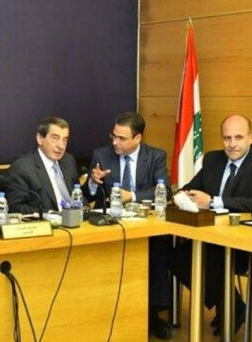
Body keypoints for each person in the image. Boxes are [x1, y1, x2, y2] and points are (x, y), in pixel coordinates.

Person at [170, 114, 252, 335]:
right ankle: (233, 307)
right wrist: (185, 196)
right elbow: (190, 187)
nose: (232, 144)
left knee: (212, 259)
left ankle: (230, 310)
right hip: (211, 235)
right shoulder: (213, 159)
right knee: (176, 256)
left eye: (238, 137)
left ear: (251, 137)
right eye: (227, 138)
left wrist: (212, 201)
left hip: (245, 241)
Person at [87, 111, 173, 339]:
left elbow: (164, 191)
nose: (115, 142)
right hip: (109, 225)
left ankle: (152, 316)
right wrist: (93, 182)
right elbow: (89, 194)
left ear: (138, 138)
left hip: (146, 224)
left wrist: (132, 196)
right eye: (113, 136)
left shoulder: (155, 156)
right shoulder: (101, 154)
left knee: (157, 251)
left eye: (122, 138)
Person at [5, 117, 85, 214]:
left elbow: (78, 195)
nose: (61, 146)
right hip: (48, 222)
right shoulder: (22, 168)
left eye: (65, 140)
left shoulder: (68, 161)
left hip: (77, 219)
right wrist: (51, 214)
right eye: (55, 138)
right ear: (39, 139)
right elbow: (15, 207)